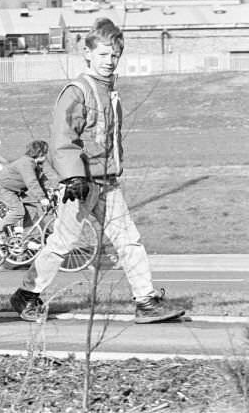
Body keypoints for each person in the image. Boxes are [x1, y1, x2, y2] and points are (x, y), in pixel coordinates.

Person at [9, 18, 186, 324]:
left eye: (114, 56)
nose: (109, 61)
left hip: (108, 183)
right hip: (81, 185)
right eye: (103, 54)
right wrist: (73, 176)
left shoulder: (110, 92)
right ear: (87, 53)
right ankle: (27, 295)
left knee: (129, 239)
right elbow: (63, 137)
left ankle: (145, 301)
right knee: (62, 243)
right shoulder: (78, 92)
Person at [0, 140, 51, 243]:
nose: (47, 155)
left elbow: (41, 183)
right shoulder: (26, 163)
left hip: (15, 189)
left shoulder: (37, 165)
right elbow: (32, 182)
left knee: (32, 205)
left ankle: (29, 238)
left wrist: (46, 197)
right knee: (18, 211)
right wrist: (42, 198)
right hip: (2, 187)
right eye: (46, 152)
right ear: (40, 153)